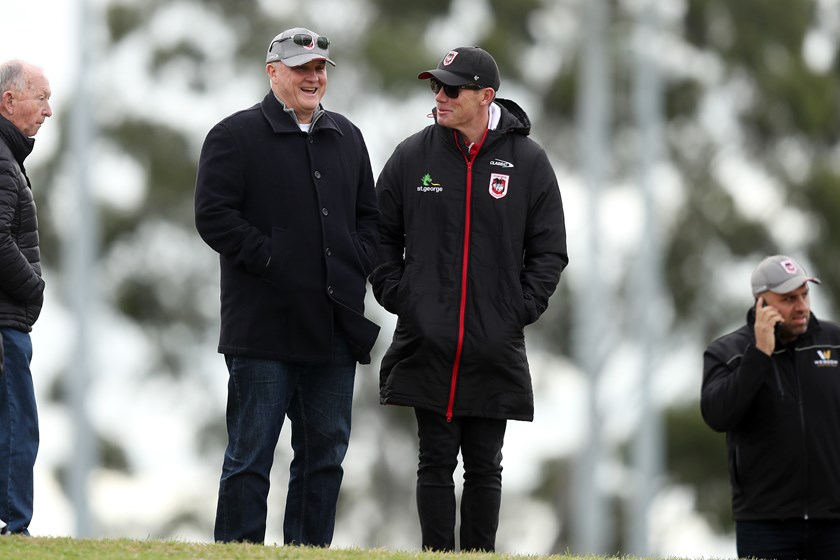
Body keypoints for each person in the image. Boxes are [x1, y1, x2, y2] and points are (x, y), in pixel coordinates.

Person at [370, 46, 568, 552]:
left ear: (486, 96)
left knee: (485, 465)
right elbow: (377, 235)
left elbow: (549, 251)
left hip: (492, 343)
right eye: (436, 86)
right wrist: (401, 295)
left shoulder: (529, 162)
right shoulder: (413, 155)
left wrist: (517, 308)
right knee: (433, 459)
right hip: (427, 337)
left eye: (451, 89)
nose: (440, 96)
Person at [194, 27, 379, 546]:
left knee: (325, 458)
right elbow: (213, 217)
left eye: (320, 69)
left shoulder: (349, 136)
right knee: (250, 457)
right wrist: (274, 258)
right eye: (302, 69)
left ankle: (309, 554)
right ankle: (237, 554)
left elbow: (372, 219)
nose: (313, 77)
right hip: (263, 331)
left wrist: (355, 259)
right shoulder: (233, 135)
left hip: (334, 330)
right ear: (273, 72)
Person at [701, 255, 840, 560]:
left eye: (805, 295)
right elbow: (717, 415)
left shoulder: (835, 342)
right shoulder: (726, 352)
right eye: (789, 298)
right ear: (761, 302)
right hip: (763, 524)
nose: (802, 306)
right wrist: (759, 355)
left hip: (833, 521)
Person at [0, 60, 52, 536]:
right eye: (41, 98)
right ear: (9, 101)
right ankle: (16, 528)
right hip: (5, 323)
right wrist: (35, 288)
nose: (48, 111)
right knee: (18, 425)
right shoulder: (1, 158)